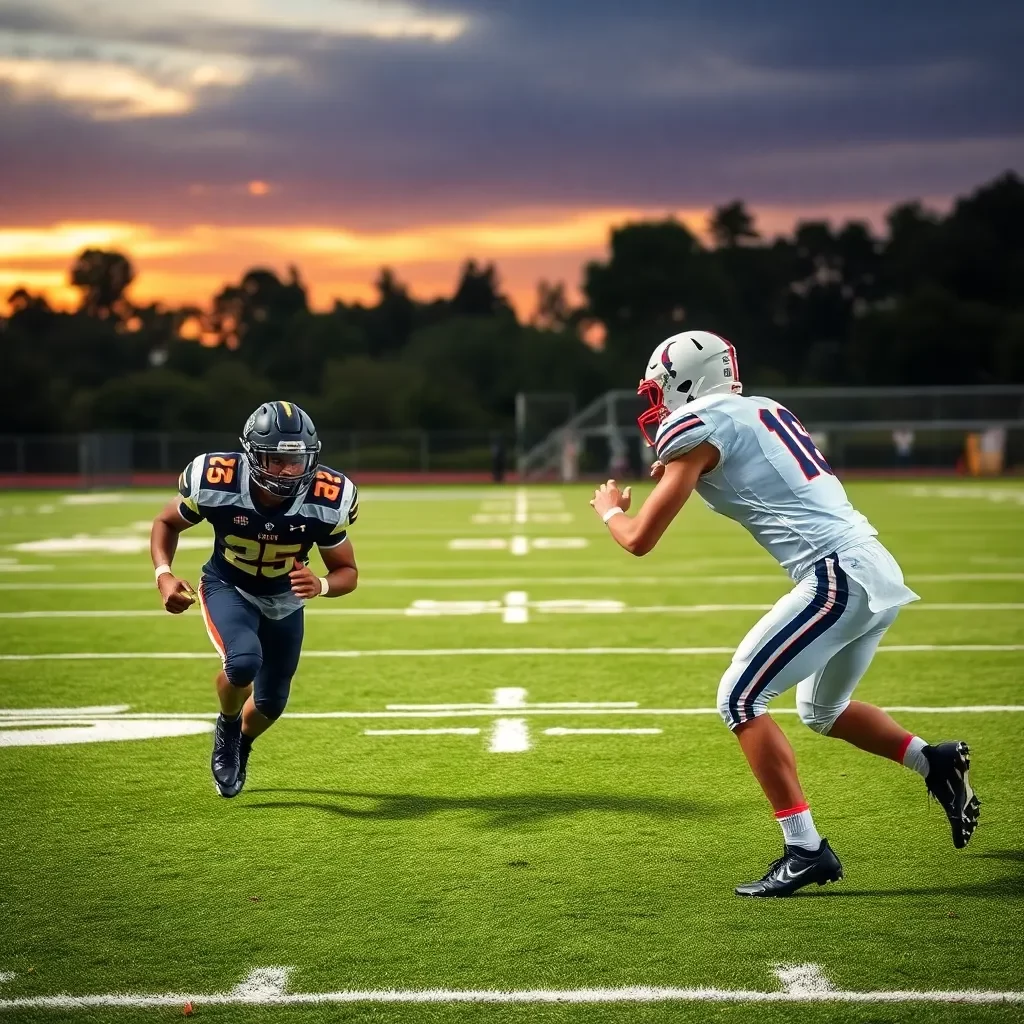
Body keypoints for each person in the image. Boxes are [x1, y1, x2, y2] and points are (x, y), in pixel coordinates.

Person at [589, 331, 980, 897]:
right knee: (822, 710)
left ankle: (805, 849)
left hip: (834, 576)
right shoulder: (762, 409)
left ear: (687, 383)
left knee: (738, 698)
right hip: (873, 565)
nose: (658, 405)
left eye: (661, 390)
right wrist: (688, 471)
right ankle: (934, 763)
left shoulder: (697, 426)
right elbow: (752, 469)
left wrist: (608, 512)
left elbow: (638, 540)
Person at [150, 401, 359, 798]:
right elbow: (166, 522)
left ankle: (242, 745)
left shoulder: (328, 497)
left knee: (272, 701)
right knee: (244, 661)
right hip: (229, 586)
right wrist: (164, 575)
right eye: (276, 459)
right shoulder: (217, 480)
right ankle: (227, 727)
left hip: (284, 601)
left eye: (296, 460)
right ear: (253, 454)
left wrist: (322, 585)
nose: (287, 469)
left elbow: (347, 572)